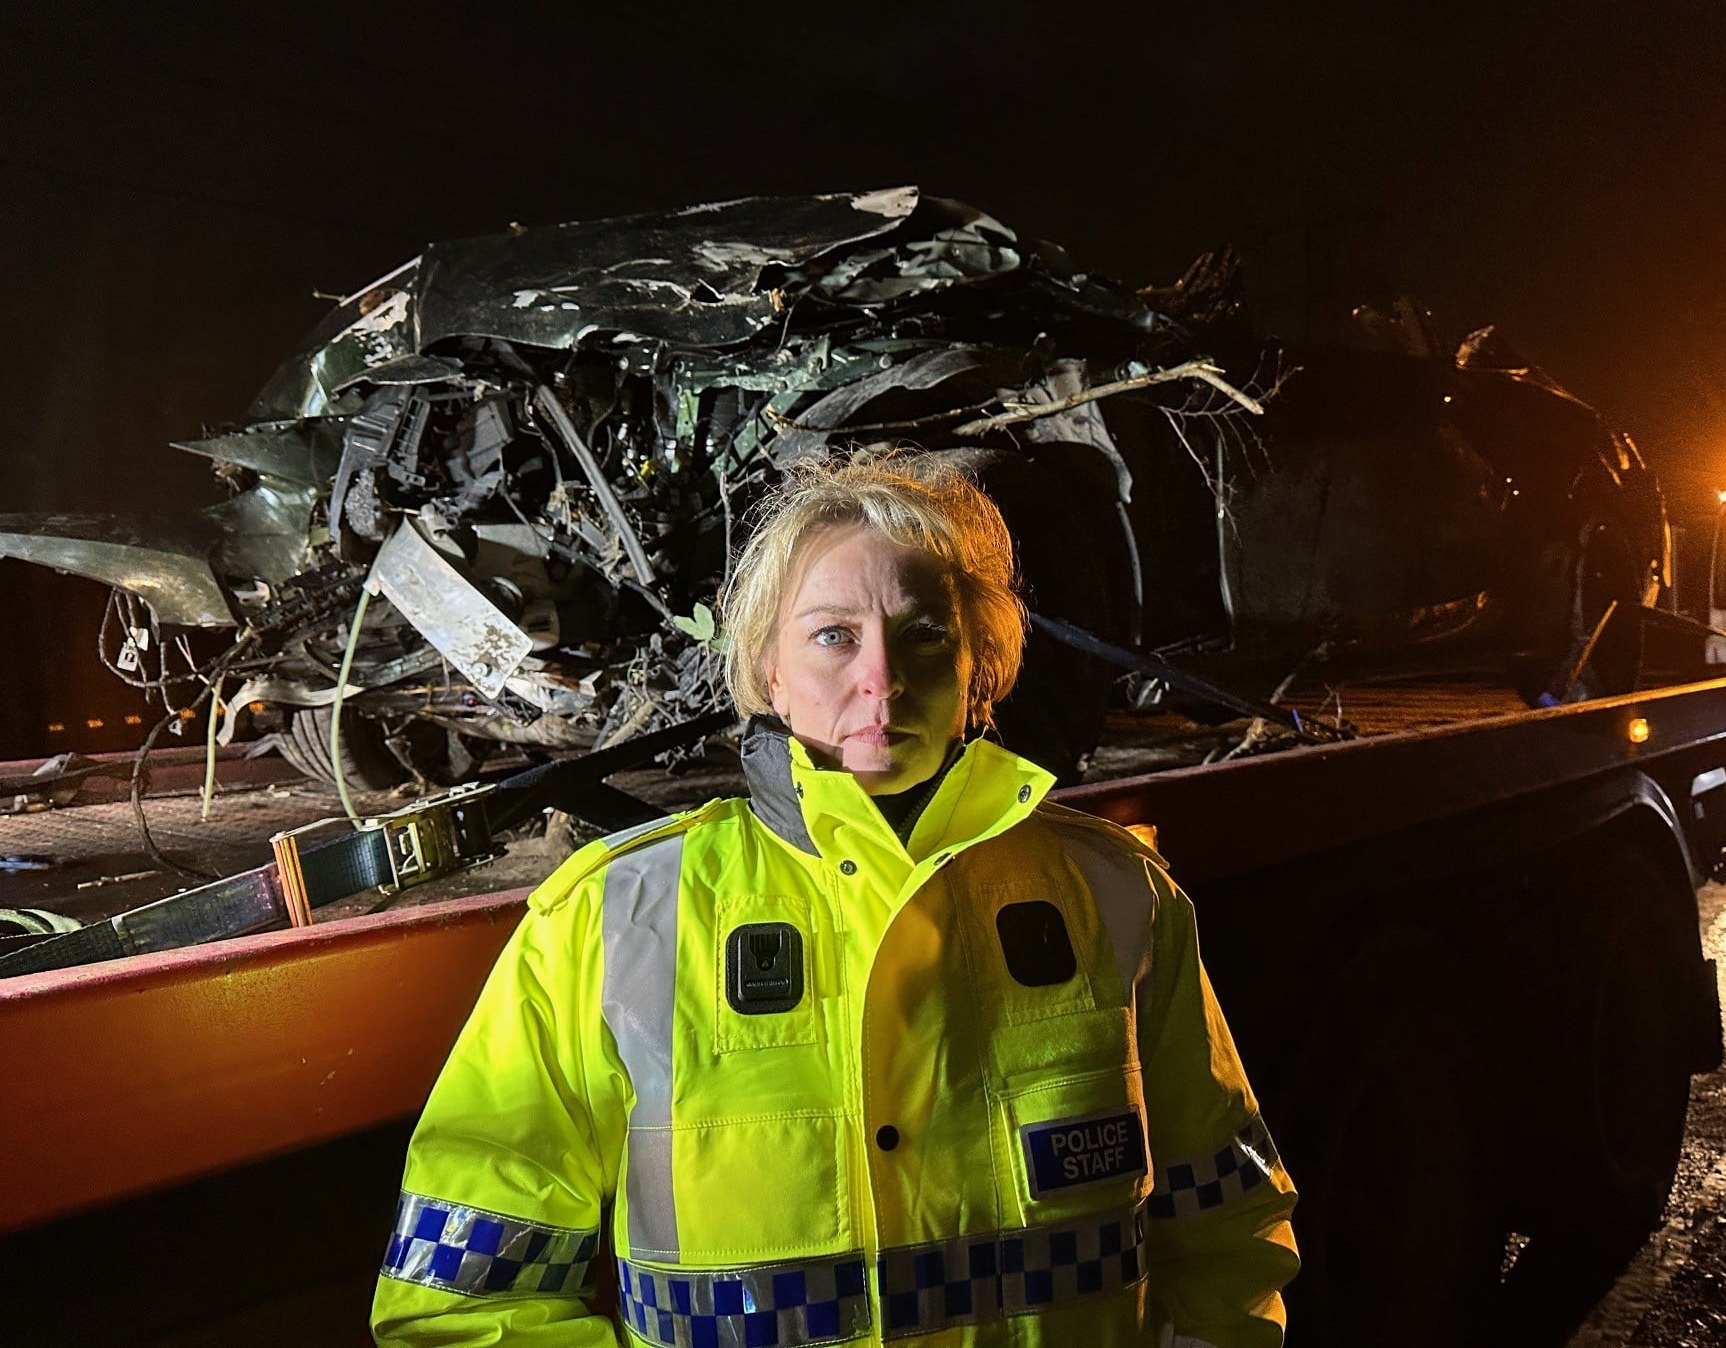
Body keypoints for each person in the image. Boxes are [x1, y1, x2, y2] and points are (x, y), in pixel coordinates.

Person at [370, 452, 1297, 1347]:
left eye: (925, 633)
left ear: (979, 669)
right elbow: (462, 1304)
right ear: (768, 671)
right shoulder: (611, 919)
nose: (880, 678)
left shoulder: (1115, 895)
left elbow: (1228, 1235)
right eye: (833, 634)